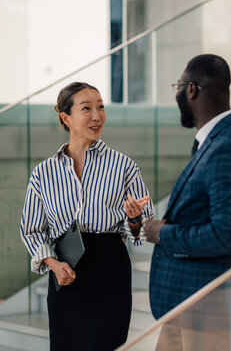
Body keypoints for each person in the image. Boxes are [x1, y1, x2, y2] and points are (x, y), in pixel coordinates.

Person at [144, 54, 231, 350]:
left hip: (212, 307)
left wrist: (162, 233)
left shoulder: (226, 147)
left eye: (178, 87)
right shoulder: (219, 140)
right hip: (191, 303)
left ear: (191, 89)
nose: (177, 94)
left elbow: (227, 234)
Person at [19, 82, 154, 351]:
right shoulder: (44, 173)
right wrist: (54, 265)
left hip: (110, 269)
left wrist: (135, 219)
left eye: (101, 107)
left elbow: (146, 226)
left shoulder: (124, 165)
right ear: (65, 118)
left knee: (106, 344)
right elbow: (32, 230)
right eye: (87, 108)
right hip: (65, 271)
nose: (97, 115)